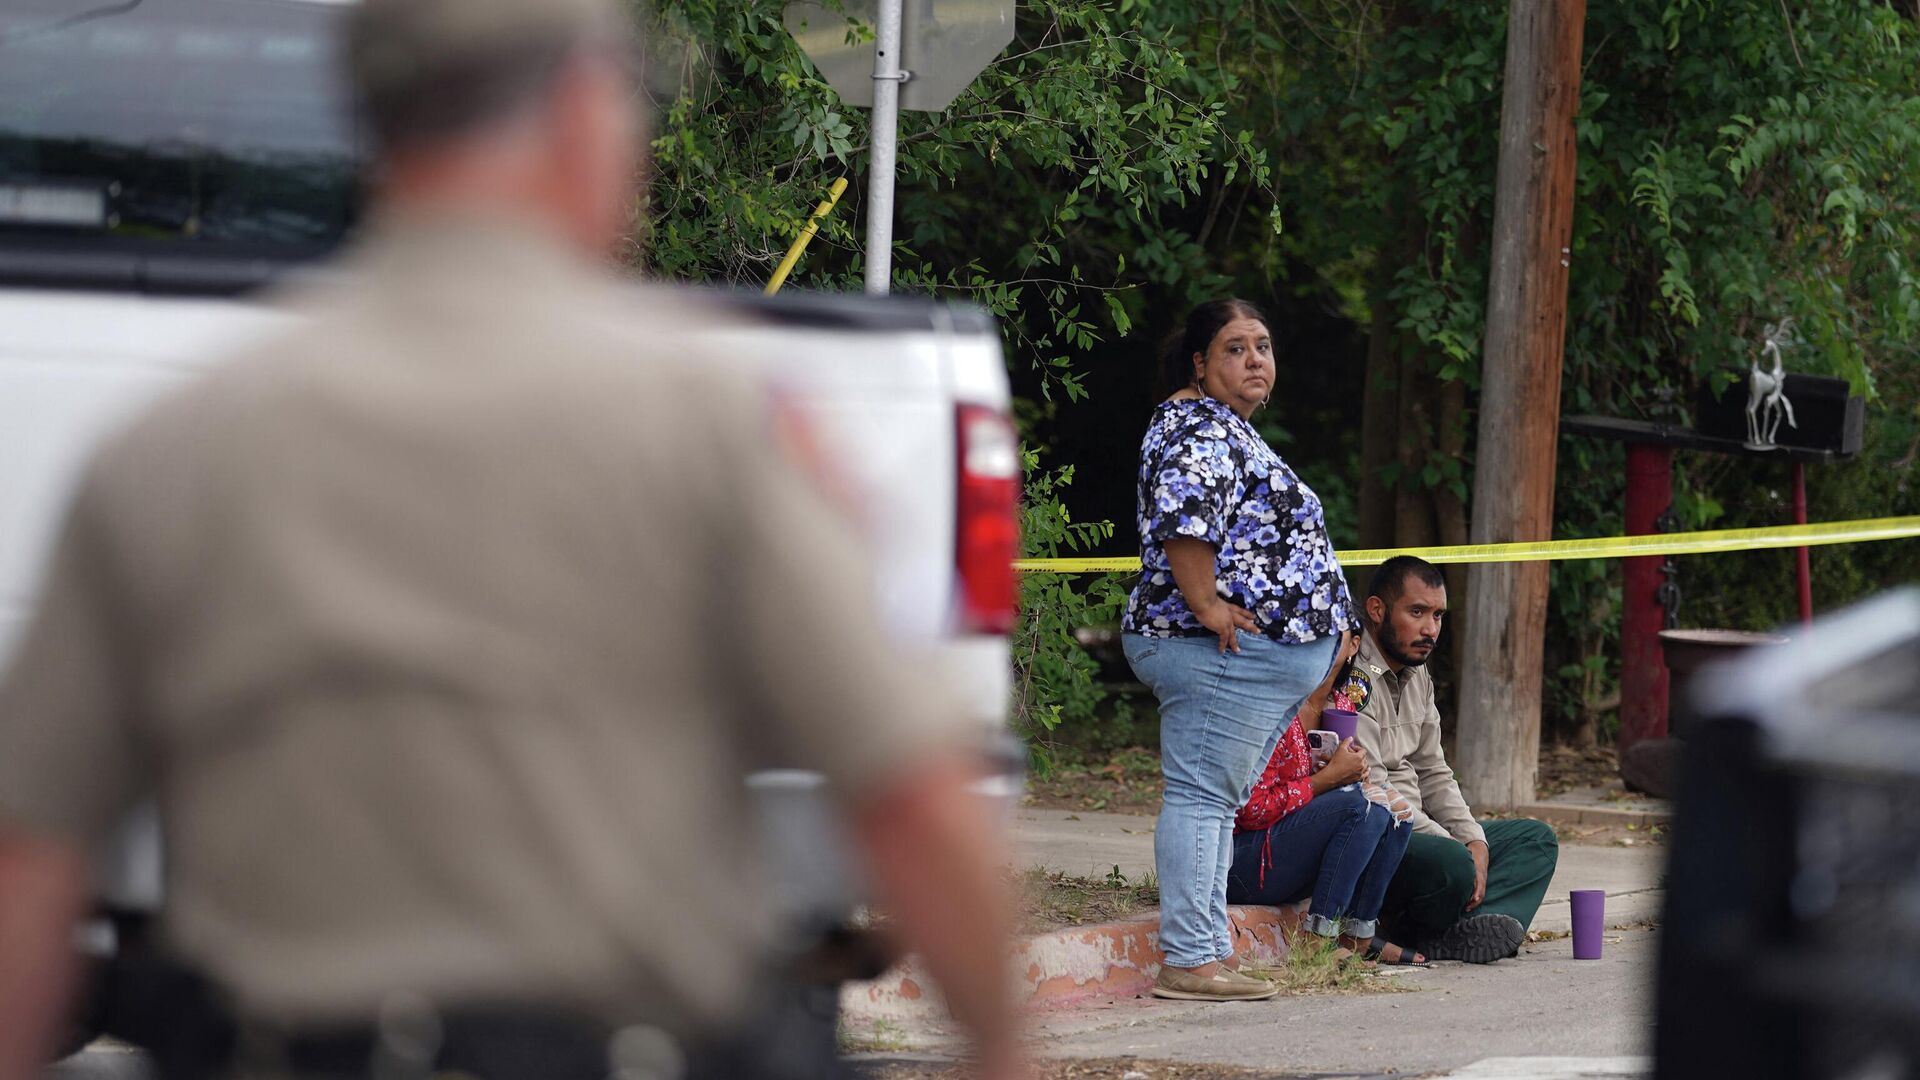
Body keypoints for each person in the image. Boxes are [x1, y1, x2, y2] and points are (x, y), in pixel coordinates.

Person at [0, 2, 1026, 1078]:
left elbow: (29, 847)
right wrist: (1002, 1054)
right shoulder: (712, 423)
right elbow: (913, 792)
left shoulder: (171, 447)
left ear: (370, 132)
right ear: (584, 112)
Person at [1121, 299, 1359, 1002]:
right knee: (1201, 799)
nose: (1255, 359)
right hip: (1207, 647)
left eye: (1263, 345)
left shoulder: (1226, 428)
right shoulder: (1196, 427)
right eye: (1235, 348)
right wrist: (1206, 606)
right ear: (1200, 363)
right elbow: (1186, 517)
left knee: (1215, 802)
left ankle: (1208, 951)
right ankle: (1191, 959)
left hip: (1244, 658)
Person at [1348, 555, 1561, 964]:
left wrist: (1475, 839)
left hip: (1424, 830)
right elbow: (1373, 788)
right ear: (1376, 610)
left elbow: (1434, 772)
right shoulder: (1352, 673)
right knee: (1453, 865)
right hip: (1380, 831)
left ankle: (1449, 933)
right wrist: (1457, 848)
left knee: (1535, 841)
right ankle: (1424, 930)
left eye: (1438, 615)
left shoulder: (1418, 671)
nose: (1431, 629)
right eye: (1417, 612)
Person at [1226, 634, 1426, 965]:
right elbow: (1252, 810)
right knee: (1360, 806)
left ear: (1354, 646)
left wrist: (1353, 776)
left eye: (1331, 635)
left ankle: (1358, 937)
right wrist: (1326, 781)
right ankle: (1317, 939)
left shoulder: (1342, 705)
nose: (1316, 642)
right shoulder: (1275, 706)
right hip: (1245, 863)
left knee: (1395, 812)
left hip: (1291, 861)